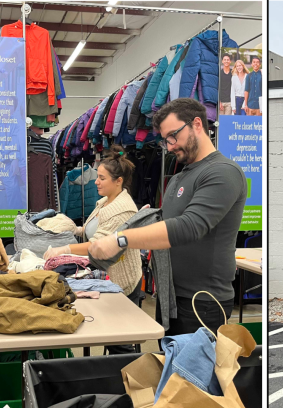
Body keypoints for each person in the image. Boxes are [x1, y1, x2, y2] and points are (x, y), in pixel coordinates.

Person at [88, 98, 247, 336]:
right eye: (166, 140)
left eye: (174, 136)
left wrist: (121, 238)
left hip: (202, 301)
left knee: (193, 373)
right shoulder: (180, 176)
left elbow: (190, 227)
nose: (170, 146)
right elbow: (169, 222)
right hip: (171, 295)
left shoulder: (223, 172)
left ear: (196, 124)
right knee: (171, 368)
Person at [44, 153, 143, 353]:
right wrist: (77, 230)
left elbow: (99, 244)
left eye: (102, 178)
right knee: (111, 335)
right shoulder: (104, 202)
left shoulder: (122, 209)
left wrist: (65, 249)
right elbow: (95, 230)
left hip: (122, 279)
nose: (96, 182)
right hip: (106, 274)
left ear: (119, 181)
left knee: (119, 342)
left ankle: (127, 380)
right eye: (97, 176)